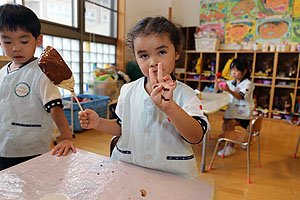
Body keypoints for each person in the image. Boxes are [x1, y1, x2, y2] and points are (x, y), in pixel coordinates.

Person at [78, 16, 209, 179]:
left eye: (161, 52)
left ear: (177, 52)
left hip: (171, 175)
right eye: (144, 56)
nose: (153, 62)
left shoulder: (186, 94)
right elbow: (122, 127)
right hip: (129, 168)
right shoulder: (127, 90)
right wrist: (99, 123)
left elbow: (196, 137)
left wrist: (170, 108)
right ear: (136, 58)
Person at [0, 4, 76, 170]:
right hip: (3, 145)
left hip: (30, 149)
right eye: (7, 41)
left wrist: (66, 138)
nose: (15, 48)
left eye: (24, 41)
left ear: (38, 40)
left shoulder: (41, 73)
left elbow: (55, 108)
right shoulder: (2, 73)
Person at [214, 58, 254, 157]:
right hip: (233, 110)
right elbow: (217, 89)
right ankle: (227, 139)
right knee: (225, 123)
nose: (233, 73)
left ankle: (231, 147)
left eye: (236, 71)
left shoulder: (248, 84)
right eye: (232, 70)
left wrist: (228, 90)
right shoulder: (231, 82)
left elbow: (240, 96)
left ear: (244, 71)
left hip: (243, 113)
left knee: (230, 123)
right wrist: (217, 82)